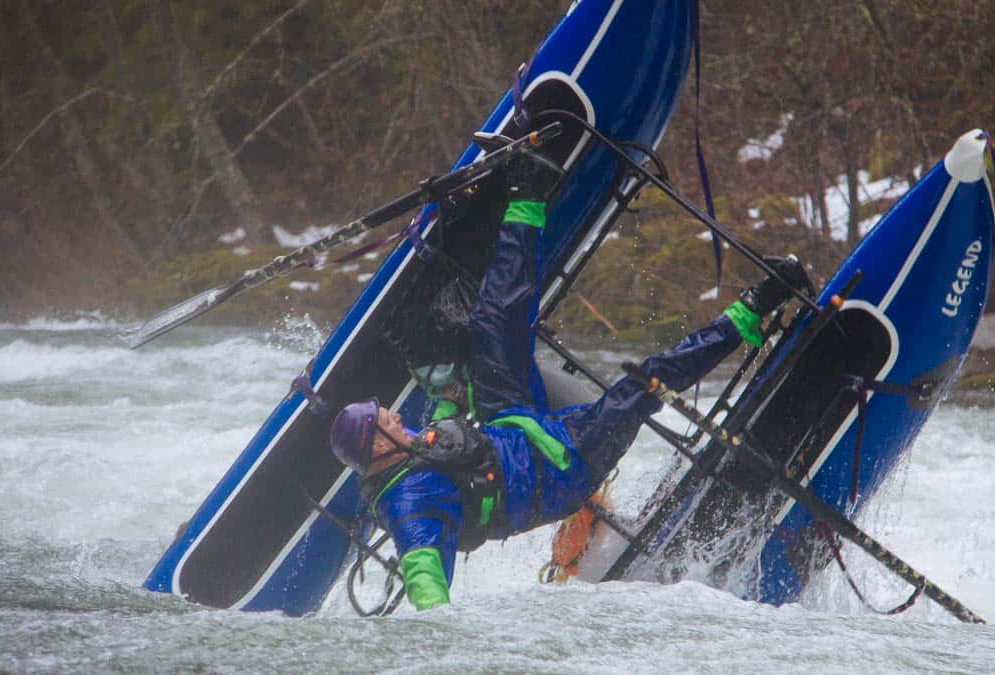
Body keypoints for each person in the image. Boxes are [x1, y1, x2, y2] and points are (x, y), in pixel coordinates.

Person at [329, 148, 811, 610]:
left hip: (510, 421)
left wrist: (447, 395)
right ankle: (752, 310)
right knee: (646, 382)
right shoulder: (409, 510)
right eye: (382, 419)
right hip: (566, 467)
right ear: (375, 446)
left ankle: (529, 188)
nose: (392, 413)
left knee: (493, 324)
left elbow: (446, 434)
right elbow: (424, 580)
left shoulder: (402, 452)